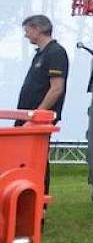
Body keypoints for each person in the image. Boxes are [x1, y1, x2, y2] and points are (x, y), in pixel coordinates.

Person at [16, 14, 69, 197]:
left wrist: (37, 115)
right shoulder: (41, 54)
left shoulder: (55, 53)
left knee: (37, 161)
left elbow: (56, 89)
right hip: (28, 118)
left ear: (38, 29)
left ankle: (39, 205)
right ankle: (25, 198)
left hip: (39, 120)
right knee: (24, 160)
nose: (26, 35)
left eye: (27, 31)